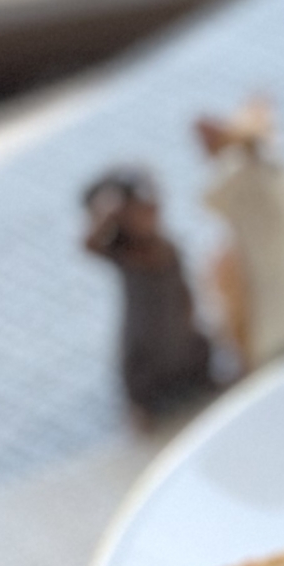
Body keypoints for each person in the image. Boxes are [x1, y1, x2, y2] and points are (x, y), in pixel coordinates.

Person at [196, 98, 284, 369]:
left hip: (275, 320)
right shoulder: (278, 174)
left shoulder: (241, 178)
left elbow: (208, 199)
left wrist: (225, 147)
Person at [81, 165, 217, 420]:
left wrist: (190, 310)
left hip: (178, 331)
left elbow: (184, 285)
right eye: (138, 211)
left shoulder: (167, 245)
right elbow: (89, 245)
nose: (148, 215)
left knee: (197, 354)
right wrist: (105, 212)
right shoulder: (126, 253)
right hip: (146, 339)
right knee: (144, 379)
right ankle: (143, 409)